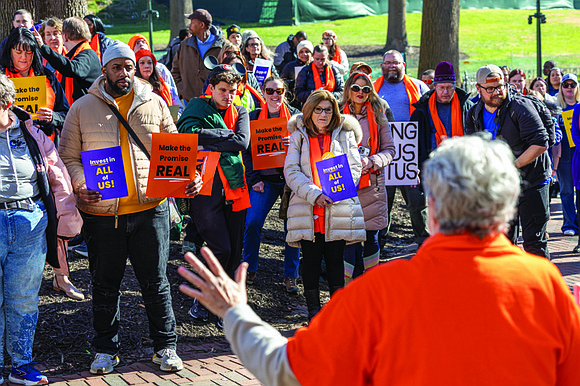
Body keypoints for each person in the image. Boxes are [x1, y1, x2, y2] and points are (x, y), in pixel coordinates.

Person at [178, 134, 580, 386]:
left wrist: (236, 313)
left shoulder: (379, 292)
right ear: (509, 207)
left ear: (433, 208)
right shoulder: (546, 287)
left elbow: (288, 371)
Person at [59, 41, 201, 375]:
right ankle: (106, 351)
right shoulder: (81, 108)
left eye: (129, 67)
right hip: (103, 215)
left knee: (156, 282)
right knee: (105, 285)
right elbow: (68, 157)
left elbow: (176, 150)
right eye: (117, 67)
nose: (124, 73)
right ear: (105, 70)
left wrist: (189, 176)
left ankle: (165, 347)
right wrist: (81, 183)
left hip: (151, 209)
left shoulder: (155, 102)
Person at [0, 72, 81, 385]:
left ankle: (21, 366)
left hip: (30, 223)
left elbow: (58, 175)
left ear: (7, 105)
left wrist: (66, 219)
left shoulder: (32, 133)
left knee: (22, 299)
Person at [176, 62, 250, 329]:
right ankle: (207, 298)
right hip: (204, 187)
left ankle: (223, 307)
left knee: (234, 250)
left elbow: (241, 142)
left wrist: (206, 139)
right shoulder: (197, 106)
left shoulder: (240, 111)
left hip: (235, 187)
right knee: (221, 247)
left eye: (232, 90)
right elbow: (185, 135)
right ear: (211, 89)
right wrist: (222, 135)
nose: (228, 95)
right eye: (223, 90)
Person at [284, 90, 365, 320]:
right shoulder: (299, 135)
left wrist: (336, 191)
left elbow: (355, 166)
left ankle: (337, 314)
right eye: (318, 109)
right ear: (310, 111)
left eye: (328, 110)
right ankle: (313, 313)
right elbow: (291, 171)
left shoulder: (345, 133)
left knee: (335, 262)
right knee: (310, 261)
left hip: (336, 206)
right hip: (308, 207)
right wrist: (314, 194)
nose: (323, 114)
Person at [466, 64, 550, 259]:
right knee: (502, 242)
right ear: (478, 89)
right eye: (490, 89)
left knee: (534, 244)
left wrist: (512, 166)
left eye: (500, 86)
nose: (497, 92)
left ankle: (540, 287)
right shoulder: (473, 114)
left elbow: (540, 143)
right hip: (501, 187)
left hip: (532, 182)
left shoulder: (520, 107)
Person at [241, 75, 301, 292]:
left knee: (293, 228)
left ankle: (291, 275)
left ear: (285, 93)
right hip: (263, 181)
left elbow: (309, 147)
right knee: (253, 222)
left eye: (280, 91)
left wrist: (295, 141)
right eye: (270, 91)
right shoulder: (253, 117)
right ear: (263, 92)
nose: (275, 95)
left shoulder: (296, 117)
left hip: (290, 182)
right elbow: (246, 153)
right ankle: (249, 268)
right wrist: (254, 179)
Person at [340, 72, 395, 282]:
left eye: (365, 89)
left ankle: (371, 285)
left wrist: (371, 161)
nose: (360, 92)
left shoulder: (379, 115)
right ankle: (347, 289)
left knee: (371, 236)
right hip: (343, 182)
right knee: (348, 238)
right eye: (356, 88)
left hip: (372, 184)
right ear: (348, 89)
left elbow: (390, 150)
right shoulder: (336, 113)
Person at [374, 49, 430, 247]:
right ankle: (377, 247)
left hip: (410, 156)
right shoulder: (373, 89)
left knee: (417, 202)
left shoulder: (419, 86)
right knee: (382, 204)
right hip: (384, 155)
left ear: (403, 65)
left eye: (396, 63)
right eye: (388, 62)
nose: (392, 66)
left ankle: (424, 246)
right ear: (381, 66)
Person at [1, 27, 69, 144]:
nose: (24, 57)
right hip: (9, 147)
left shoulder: (47, 76)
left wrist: (53, 117)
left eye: (29, 53)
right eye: (18, 52)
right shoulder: (2, 78)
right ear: (10, 52)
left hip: (46, 148)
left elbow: (66, 114)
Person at [411, 61, 473, 170]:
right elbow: (415, 145)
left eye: (449, 87)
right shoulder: (422, 110)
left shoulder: (468, 108)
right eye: (441, 88)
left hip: (462, 167)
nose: (445, 92)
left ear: (455, 86)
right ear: (434, 86)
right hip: (432, 169)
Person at [33, 16, 102, 105]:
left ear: (64, 37)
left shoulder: (87, 54)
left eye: (56, 33)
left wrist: (43, 48)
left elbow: (71, 69)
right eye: (48, 34)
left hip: (88, 114)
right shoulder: (80, 54)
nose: (52, 38)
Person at [171, 9, 223, 102]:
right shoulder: (184, 45)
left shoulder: (223, 46)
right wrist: (182, 90)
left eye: (192, 22)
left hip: (215, 102)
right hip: (189, 101)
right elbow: (175, 71)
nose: (189, 25)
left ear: (202, 25)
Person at [554, 74, 580, 236]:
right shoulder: (556, 109)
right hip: (564, 155)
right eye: (566, 85)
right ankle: (569, 224)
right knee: (567, 191)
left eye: (572, 85)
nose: (569, 88)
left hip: (579, 153)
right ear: (561, 88)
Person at [127, 34, 179, 108]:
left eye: (143, 42)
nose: (146, 66)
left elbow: (176, 104)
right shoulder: (129, 81)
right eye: (137, 43)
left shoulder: (161, 69)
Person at [280, 39, 313, 107]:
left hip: (311, 99)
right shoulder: (290, 66)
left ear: (311, 53)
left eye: (307, 51)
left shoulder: (315, 66)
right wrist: (293, 82)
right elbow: (281, 82)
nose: (304, 54)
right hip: (294, 101)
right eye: (301, 52)